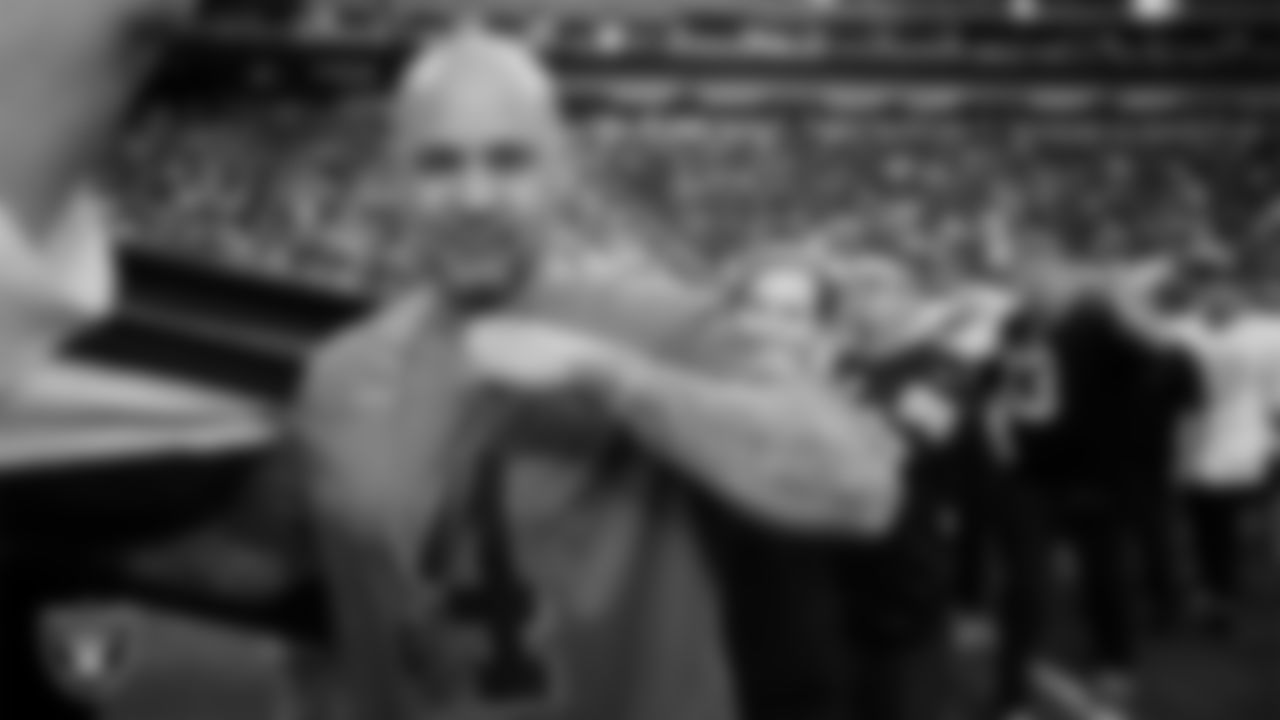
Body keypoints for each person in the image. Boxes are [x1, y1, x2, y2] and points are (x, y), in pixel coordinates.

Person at [294, 26, 906, 720]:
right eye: (439, 165)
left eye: (509, 161)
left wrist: (619, 381)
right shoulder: (338, 378)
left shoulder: (665, 327)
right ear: (396, 178)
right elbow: (360, 629)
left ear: (561, 170)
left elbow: (862, 490)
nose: (475, 197)